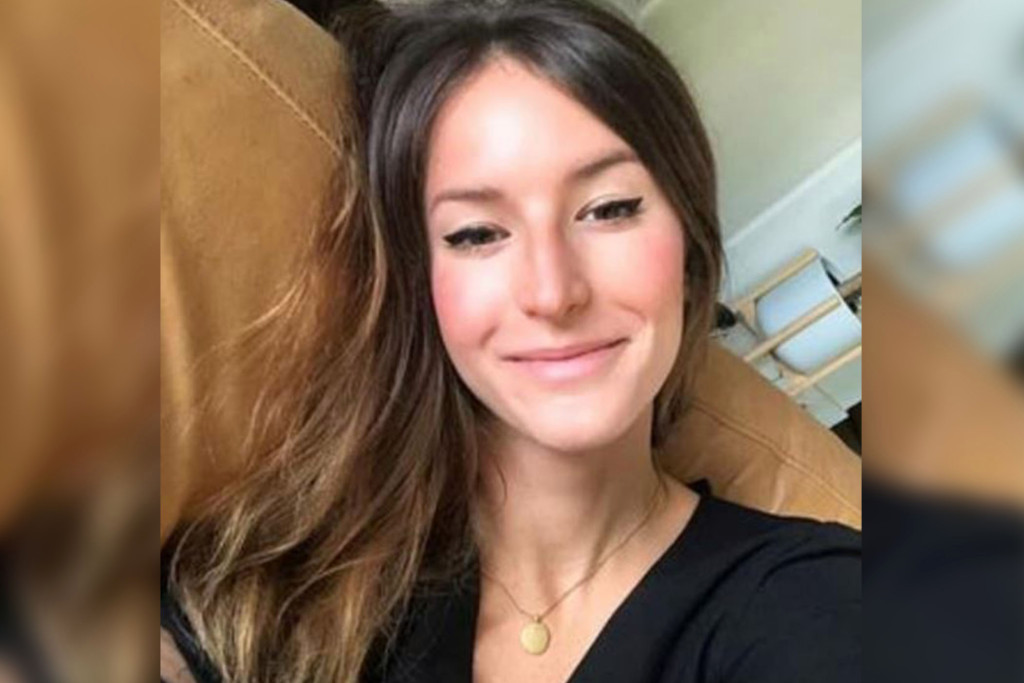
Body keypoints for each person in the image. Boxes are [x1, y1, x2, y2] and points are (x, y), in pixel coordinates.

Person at [162, 1, 860, 681]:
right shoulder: (280, 576)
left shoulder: (810, 603)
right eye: (476, 234)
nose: (552, 292)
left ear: (689, 248)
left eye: (608, 210)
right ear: (421, 281)